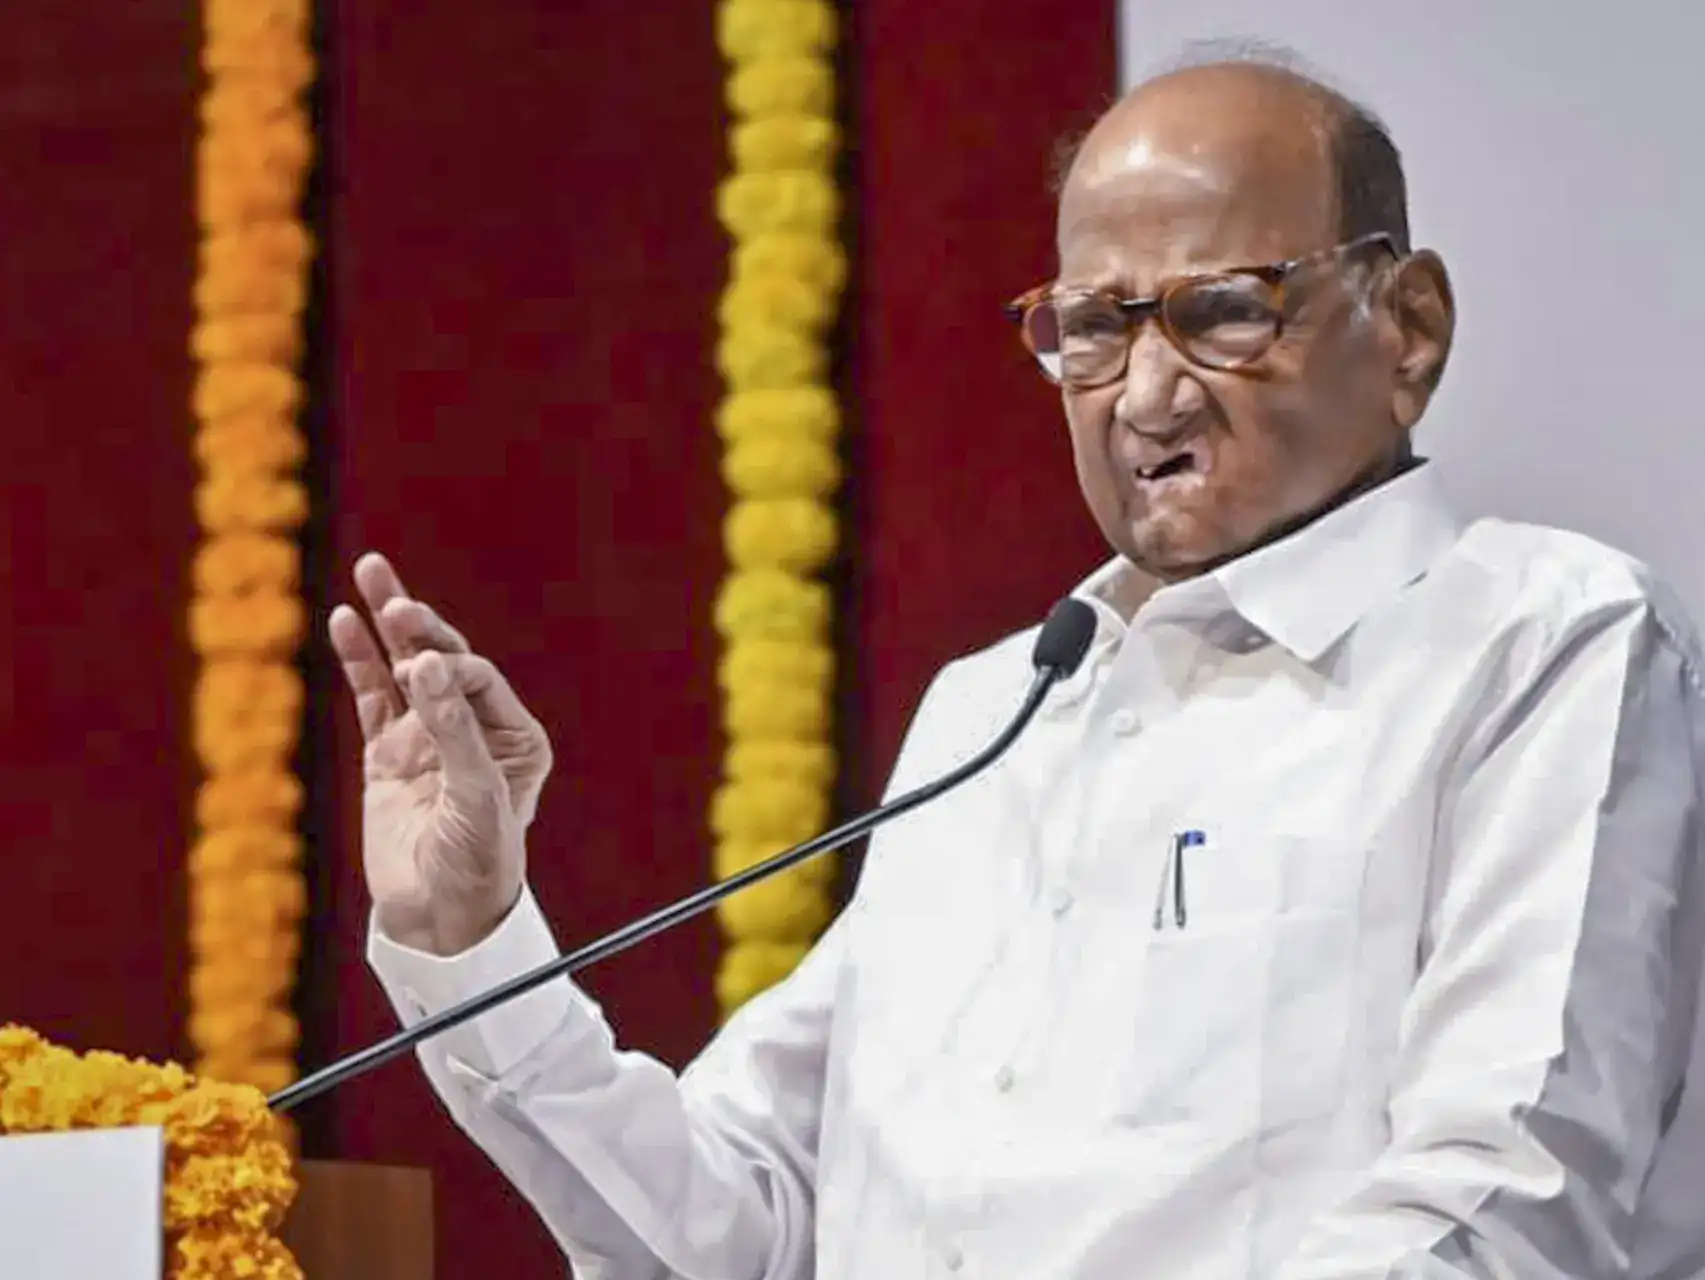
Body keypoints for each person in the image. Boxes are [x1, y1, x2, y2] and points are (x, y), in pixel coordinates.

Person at [332, 49, 1705, 1280]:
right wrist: (473, 938)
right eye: (1094, 328)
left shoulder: (1538, 642)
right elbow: (729, 1229)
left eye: (1225, 310)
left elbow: (1503, 1214)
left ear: (1408, 327)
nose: (1147, 396)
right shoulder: (993, 712)